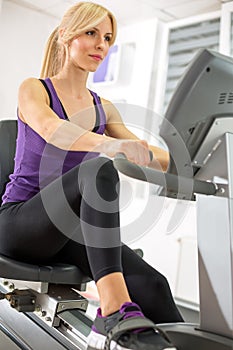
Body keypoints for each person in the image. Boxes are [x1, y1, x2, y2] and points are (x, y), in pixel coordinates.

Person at [0, 2, 183, 350]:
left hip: (67, 231)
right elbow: (53, 130)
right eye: (91, 33)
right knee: (98, 168)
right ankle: (112, 311)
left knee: (154, 287)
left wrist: (202, 164)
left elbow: (144, 154)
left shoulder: (103, 107)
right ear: (66, 35)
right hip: (20, 224)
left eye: (108, 38)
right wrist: (110, 146)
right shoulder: (35, 89)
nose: (102, 44)